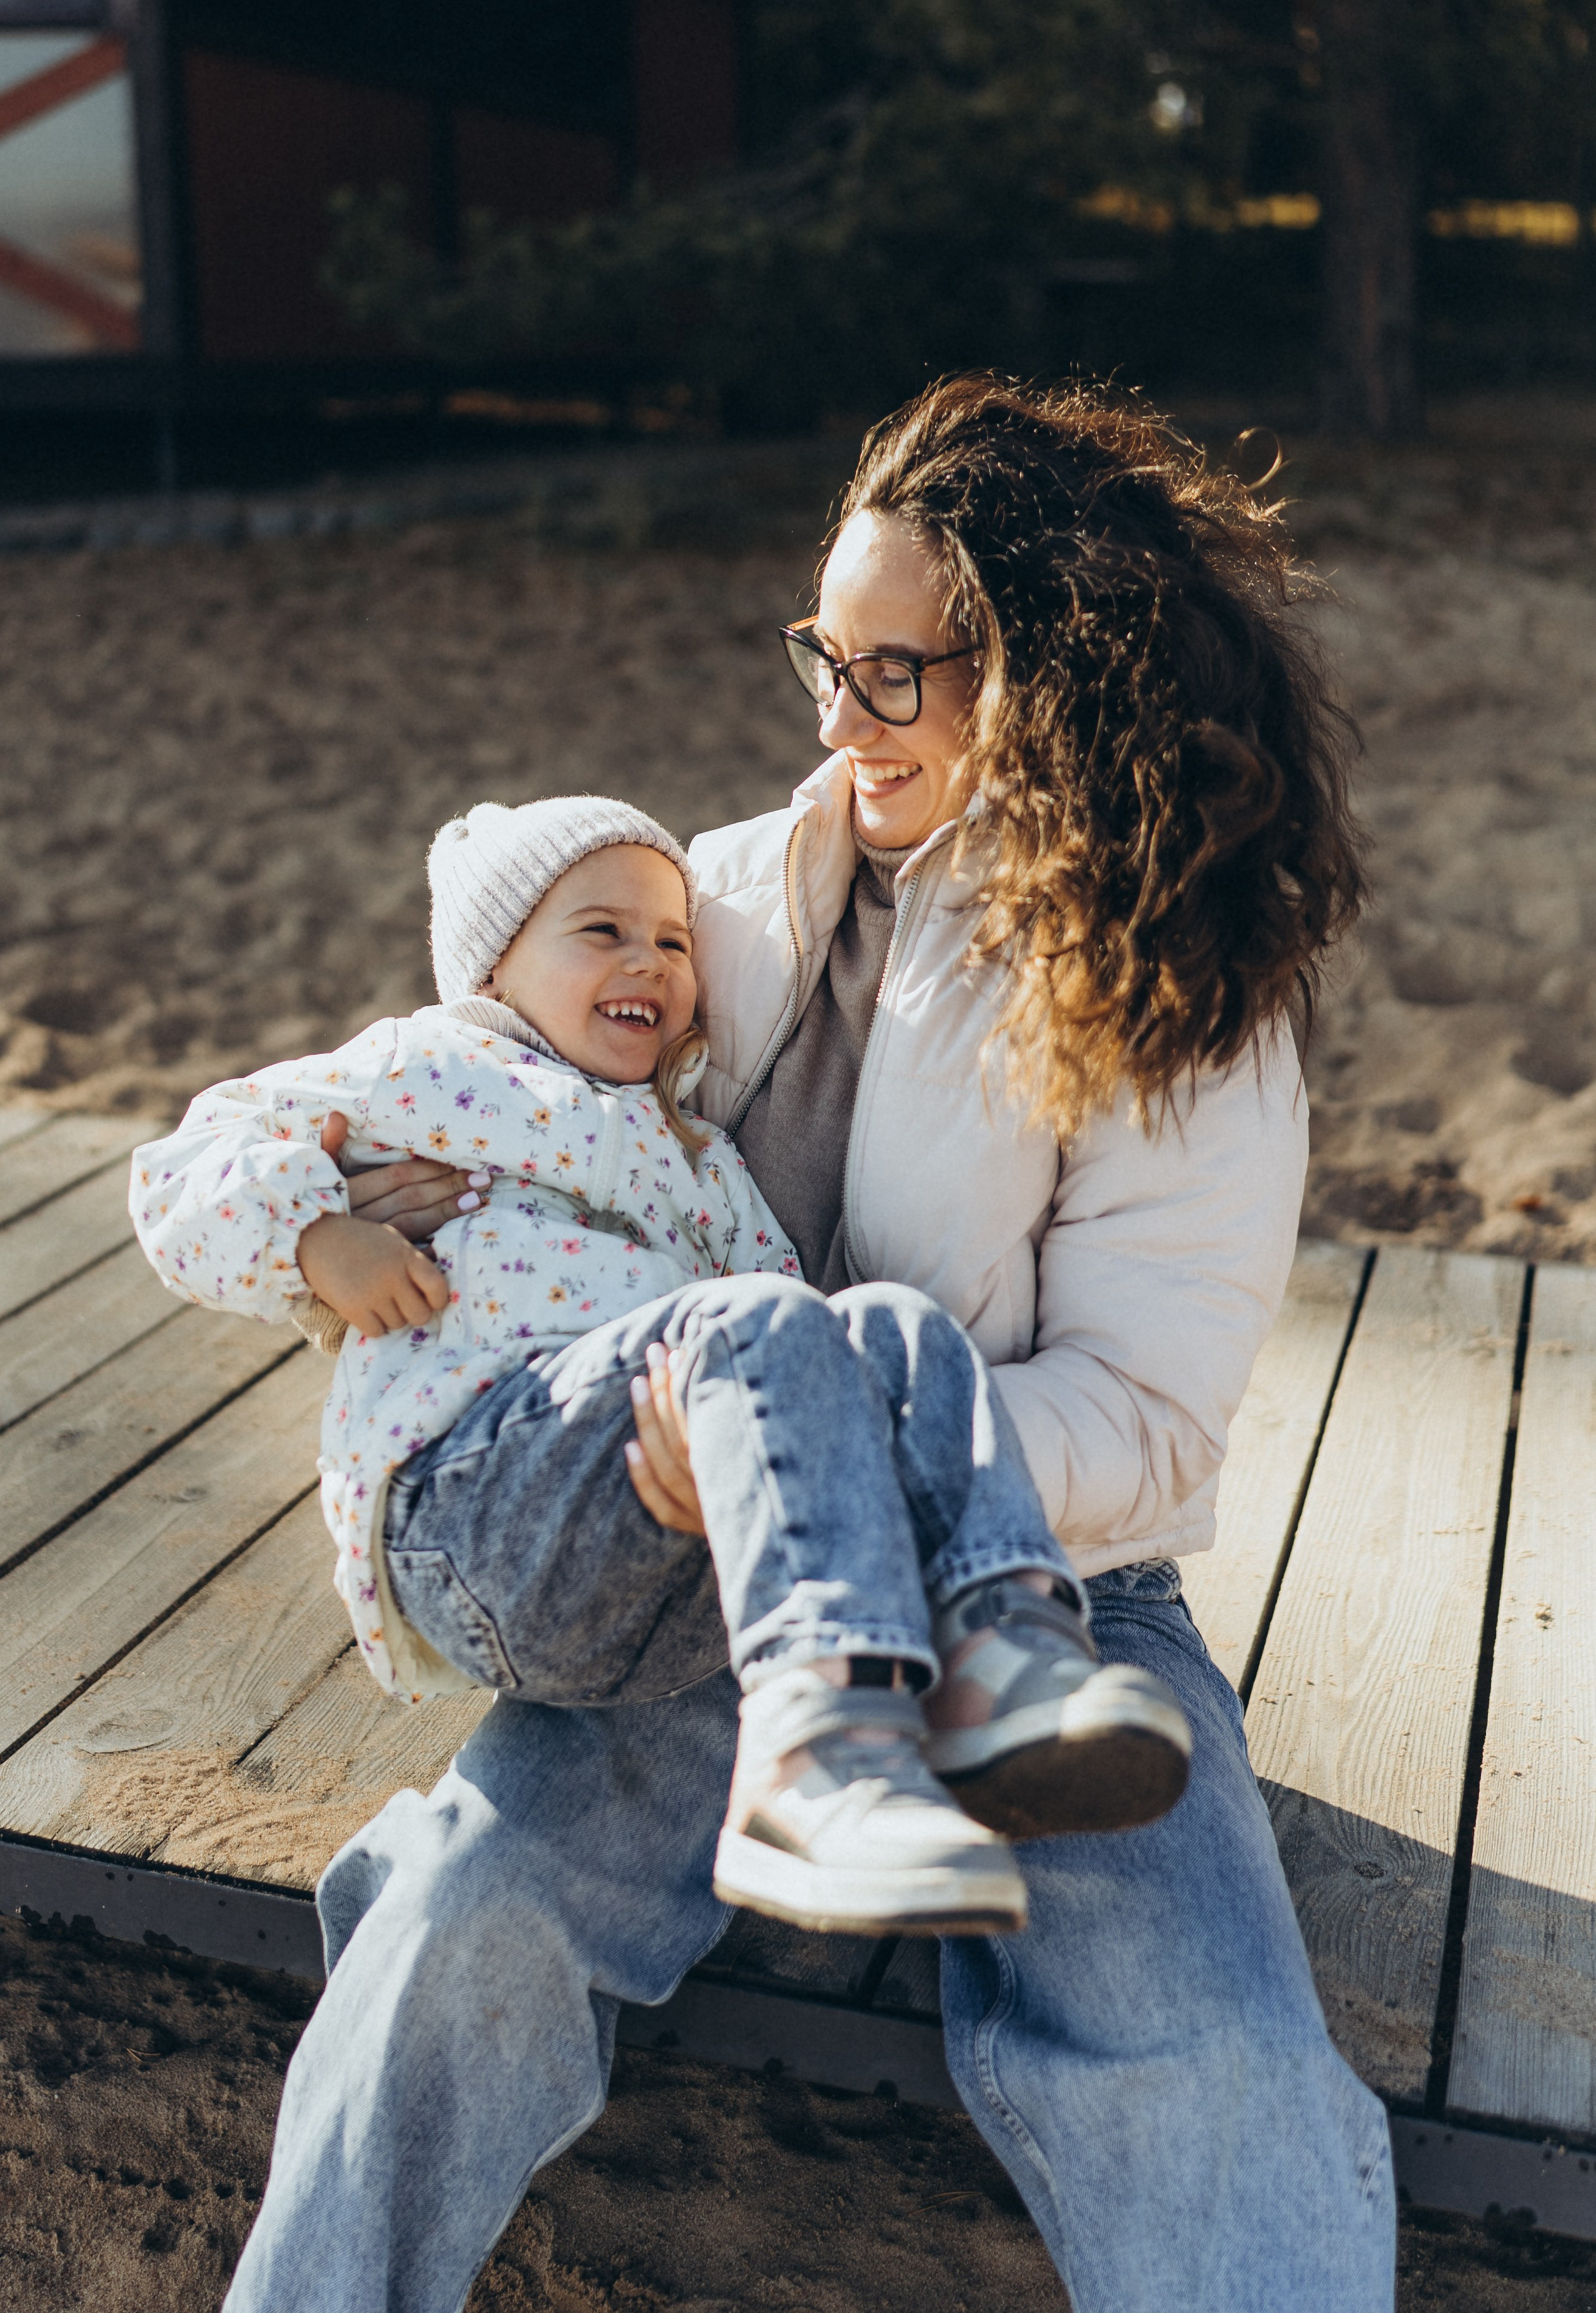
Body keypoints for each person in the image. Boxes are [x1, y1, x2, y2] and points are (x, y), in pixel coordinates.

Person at [211, 375, 1396, 2313]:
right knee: (460, 1929)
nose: (837, 721)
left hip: (1041, 1589)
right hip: (711, 1567)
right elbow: (516, 1073)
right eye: (823, 660)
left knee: (1218, 2074)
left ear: (1040, 674)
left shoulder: (1177, 976)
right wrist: (398, 1197)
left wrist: (843, 1436)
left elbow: (1147, 1417)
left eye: (893, 674)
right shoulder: (733, 893)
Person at [130, 796, 1190, 1943]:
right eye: (603, 932)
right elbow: (184, 1163)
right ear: (495, 969)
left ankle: (997, 1660)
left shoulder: (698, 1155)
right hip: (479, 1499)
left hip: (668, 1570)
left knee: (891, 1329)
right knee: (757, 1325)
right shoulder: (428, 1066)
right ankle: (813, 1768)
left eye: (675, 942)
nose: (651, 962)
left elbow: (798, 1342)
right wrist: (315, 1238)